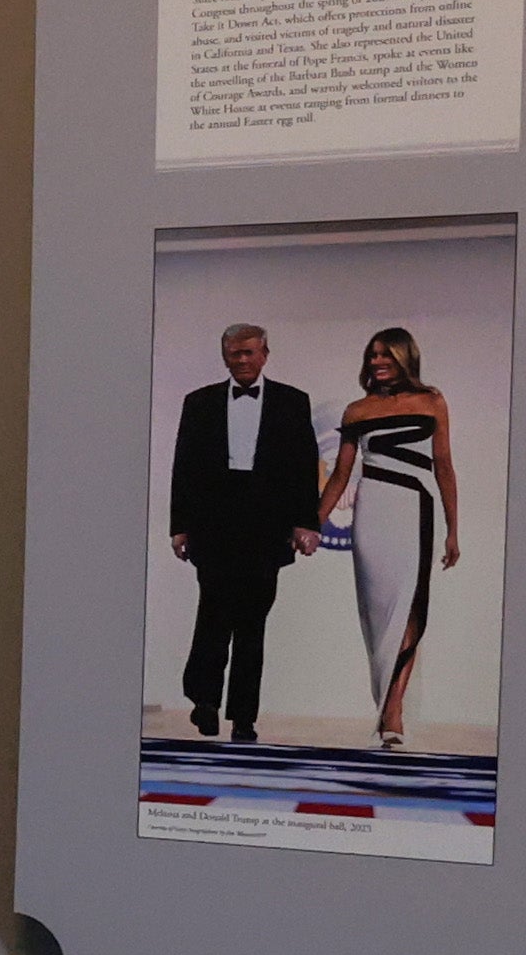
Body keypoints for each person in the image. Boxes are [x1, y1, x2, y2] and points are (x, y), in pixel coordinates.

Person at [166, 319, 321, 740]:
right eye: (235, 353)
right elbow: (184, 465)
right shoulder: (198, 402)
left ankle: (244, 717)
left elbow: (306, 466)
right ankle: (205, 701)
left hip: (265, 522)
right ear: (225, 358)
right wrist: (179, 526)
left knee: (253, 622)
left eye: (250, 352)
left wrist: (307, 522)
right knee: (213, 614)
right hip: (214, 520)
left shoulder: (292, 402)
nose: (243, 360)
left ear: (265, 355)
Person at [319, 324, 468, 753]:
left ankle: (393, 714)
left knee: (409, 612)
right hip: (373, 514)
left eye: (386, 354)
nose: (378, 362)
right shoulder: (356, 411)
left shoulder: (432, 402)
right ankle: (386, 702)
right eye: (372, 355)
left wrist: (453, 528)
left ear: (405, 357)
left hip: (414, 512)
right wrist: (313, 523)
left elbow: (444, 465)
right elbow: (340, 476)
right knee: (378, 615)